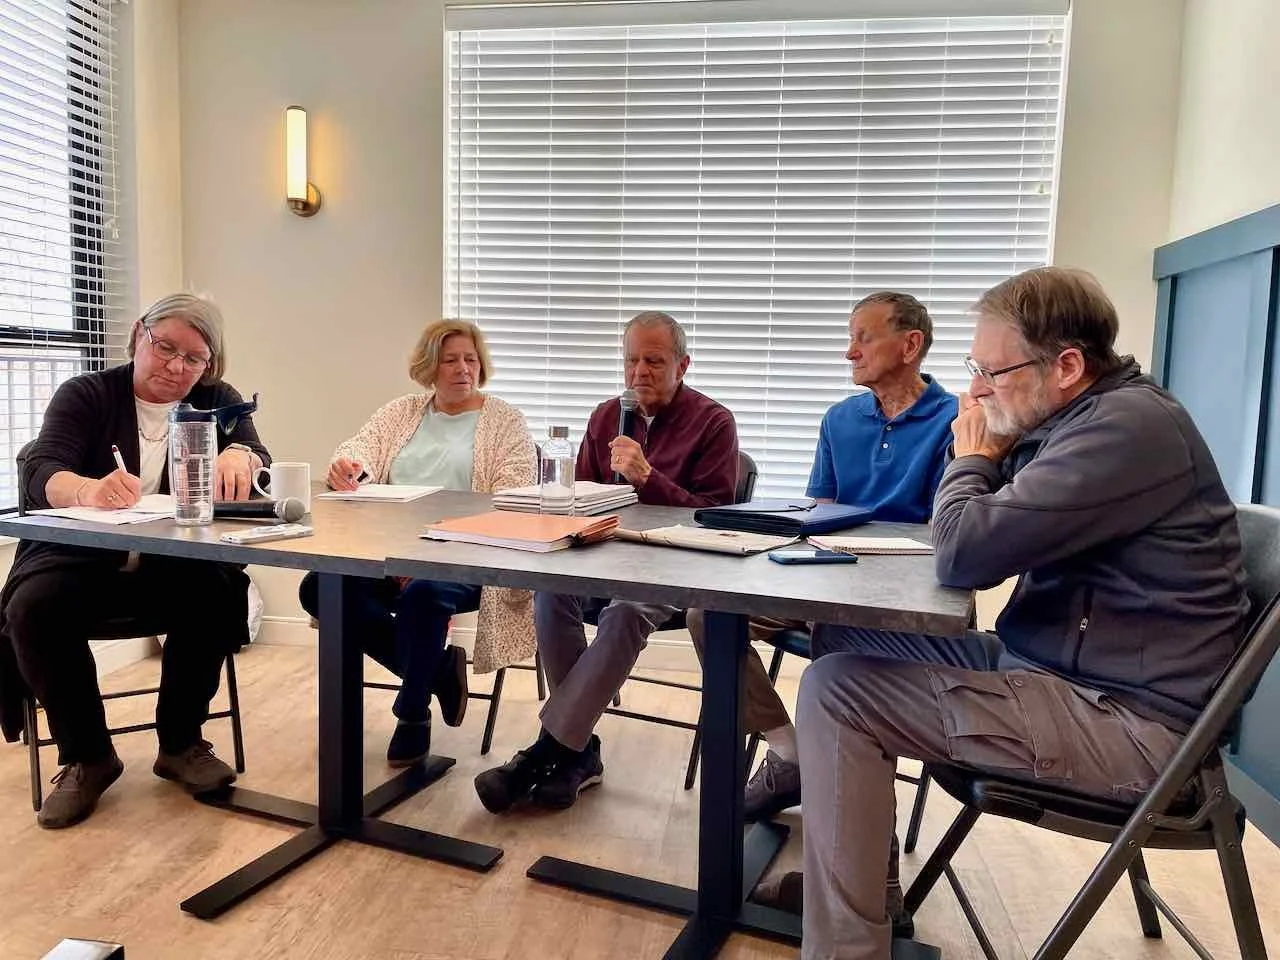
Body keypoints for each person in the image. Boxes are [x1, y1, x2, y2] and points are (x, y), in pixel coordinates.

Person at [787, 267, 1249, 959]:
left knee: (837, 691)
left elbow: (966, 554)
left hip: (1128, 721)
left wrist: (972, 454)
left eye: (993, 372)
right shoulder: (1077, 418)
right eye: (975, 369)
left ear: (1066, 365)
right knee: (843, 636)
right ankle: (863, 887)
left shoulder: (1125, 428)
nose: (974, 390)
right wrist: (993, 442)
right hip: (1051, 668)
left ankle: (847, 946)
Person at [0, 293, 272, 829]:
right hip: (78, 565)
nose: (176, 366)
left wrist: (241, 454)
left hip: (172, 568)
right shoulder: (86, 394)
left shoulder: (217, 399)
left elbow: (256, 452)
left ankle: (181, 742)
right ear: (138, 335)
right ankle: (88, 756)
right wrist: (85, 489)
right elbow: (42, 469)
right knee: (32, 608)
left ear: (209, 364)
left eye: (194, 359)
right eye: (165, 347)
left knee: (219, 593)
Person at [687, 292, 956, 826]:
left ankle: (858, 855)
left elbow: (943, 532)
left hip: (899, 590)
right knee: (710, 617)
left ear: (911, 345)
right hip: (830, 574)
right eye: (850, 338)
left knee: (840, 656)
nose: (849, 353)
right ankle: (789, 753)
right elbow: (823, 509)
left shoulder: (955, 421)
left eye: (864, 337)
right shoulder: (840, 419)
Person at [474, 310, 739, 813]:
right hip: (603, 554)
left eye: (654, 361)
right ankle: (579, 752)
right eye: (632, 360)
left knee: (625, 611)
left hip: (674, 566)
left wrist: (648, 477)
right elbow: (582, 497)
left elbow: (715, 516)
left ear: (683, 365)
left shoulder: (714, 422)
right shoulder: (605, 417)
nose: (640, 372)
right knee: (551, 590)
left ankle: (546, 752)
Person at [298, 319, 536, 767]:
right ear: (430, 366)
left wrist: (429, 556)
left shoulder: (504, 420)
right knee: (319, 588)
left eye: (470, 359)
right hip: (388, 551)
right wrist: (347, 466)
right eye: (450, 360)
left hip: (468, 557)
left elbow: (512, 499)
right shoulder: (403, 411)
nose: (462, 368)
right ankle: (439, 673)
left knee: (425, 594)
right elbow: (360, 448)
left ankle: (412, 714)